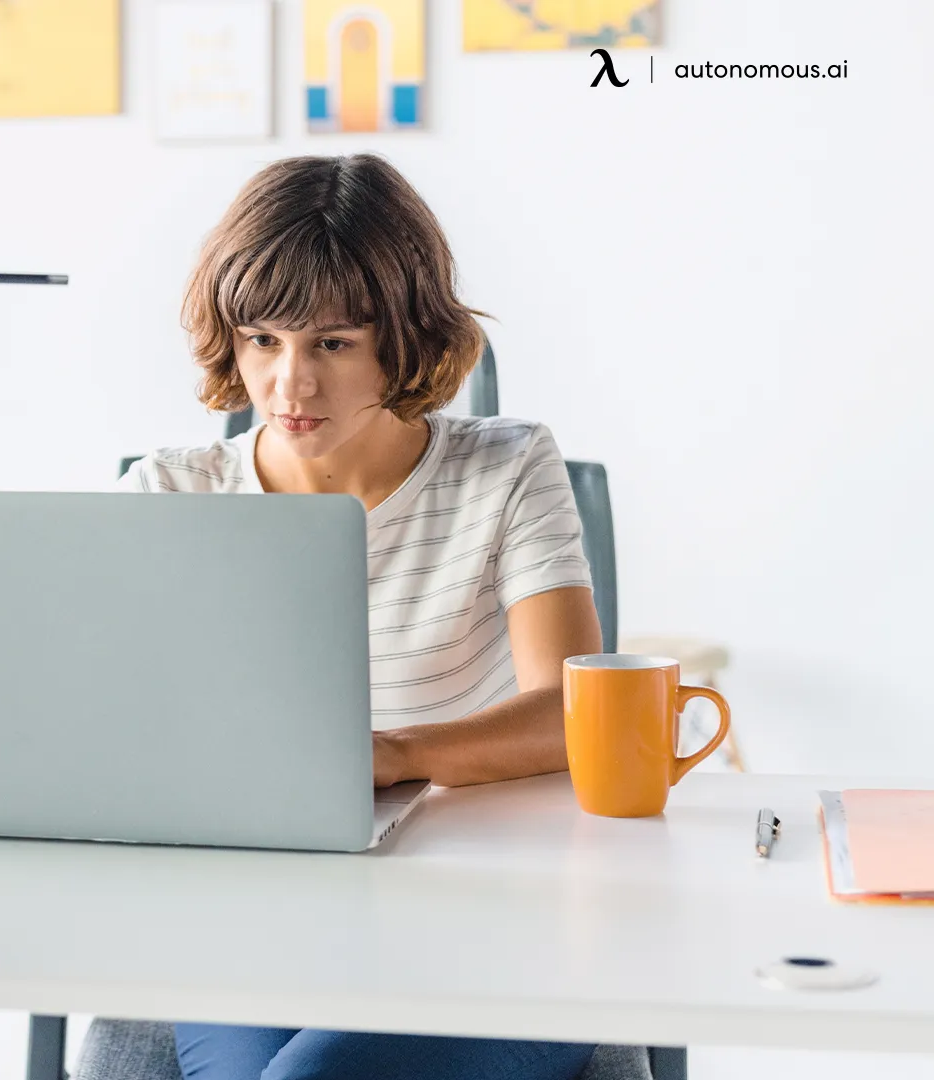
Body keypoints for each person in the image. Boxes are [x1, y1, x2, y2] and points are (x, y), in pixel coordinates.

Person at [121, 154, 601, 1080]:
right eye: (262, 340)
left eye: (332, 344)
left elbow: (571, 715)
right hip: (255, 918)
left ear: (405, 340)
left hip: (496, 918)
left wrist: (393, 757)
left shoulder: (503, 470)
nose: (289, 386)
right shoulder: (169, 492)